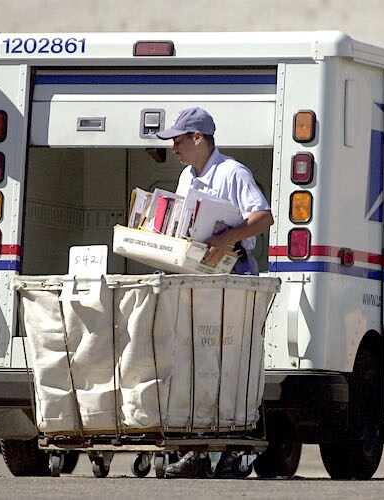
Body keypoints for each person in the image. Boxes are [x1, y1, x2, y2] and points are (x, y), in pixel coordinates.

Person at [155, 107, 274, 478]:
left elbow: (263, 216)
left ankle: (236, 450)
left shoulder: (232, 173)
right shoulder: (186, 177)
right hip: (197, 276)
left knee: (232, 363)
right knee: (196, 363)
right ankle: (198, 451)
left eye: (178, 139)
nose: (173, 147)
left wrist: (224, 240)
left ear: (198, 138)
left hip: (234, 274)